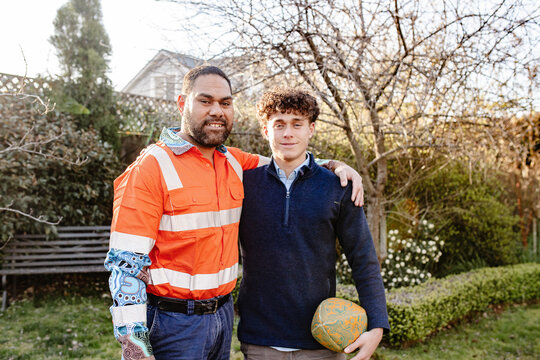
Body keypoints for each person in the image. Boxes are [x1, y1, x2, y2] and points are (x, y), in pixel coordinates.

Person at [104, 65, 364, 360]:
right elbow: (124, 265)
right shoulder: (152, 167)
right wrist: (134, 348)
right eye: (205, 101)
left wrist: (335, 167)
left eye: (225, 103)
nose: (217, 111)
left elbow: (290, 163)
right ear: (182, 104)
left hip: (223, 318)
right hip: (173, 324)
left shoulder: (233, 162)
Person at [237, 88, 389, 360]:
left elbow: (363, 259)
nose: (288, 133)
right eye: (279, 125)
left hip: (323, 342)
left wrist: (377, 325)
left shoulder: (339, 187)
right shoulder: (244, 185)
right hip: (260, 341)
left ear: (312, 129)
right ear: (265, 130)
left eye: (297, 124)